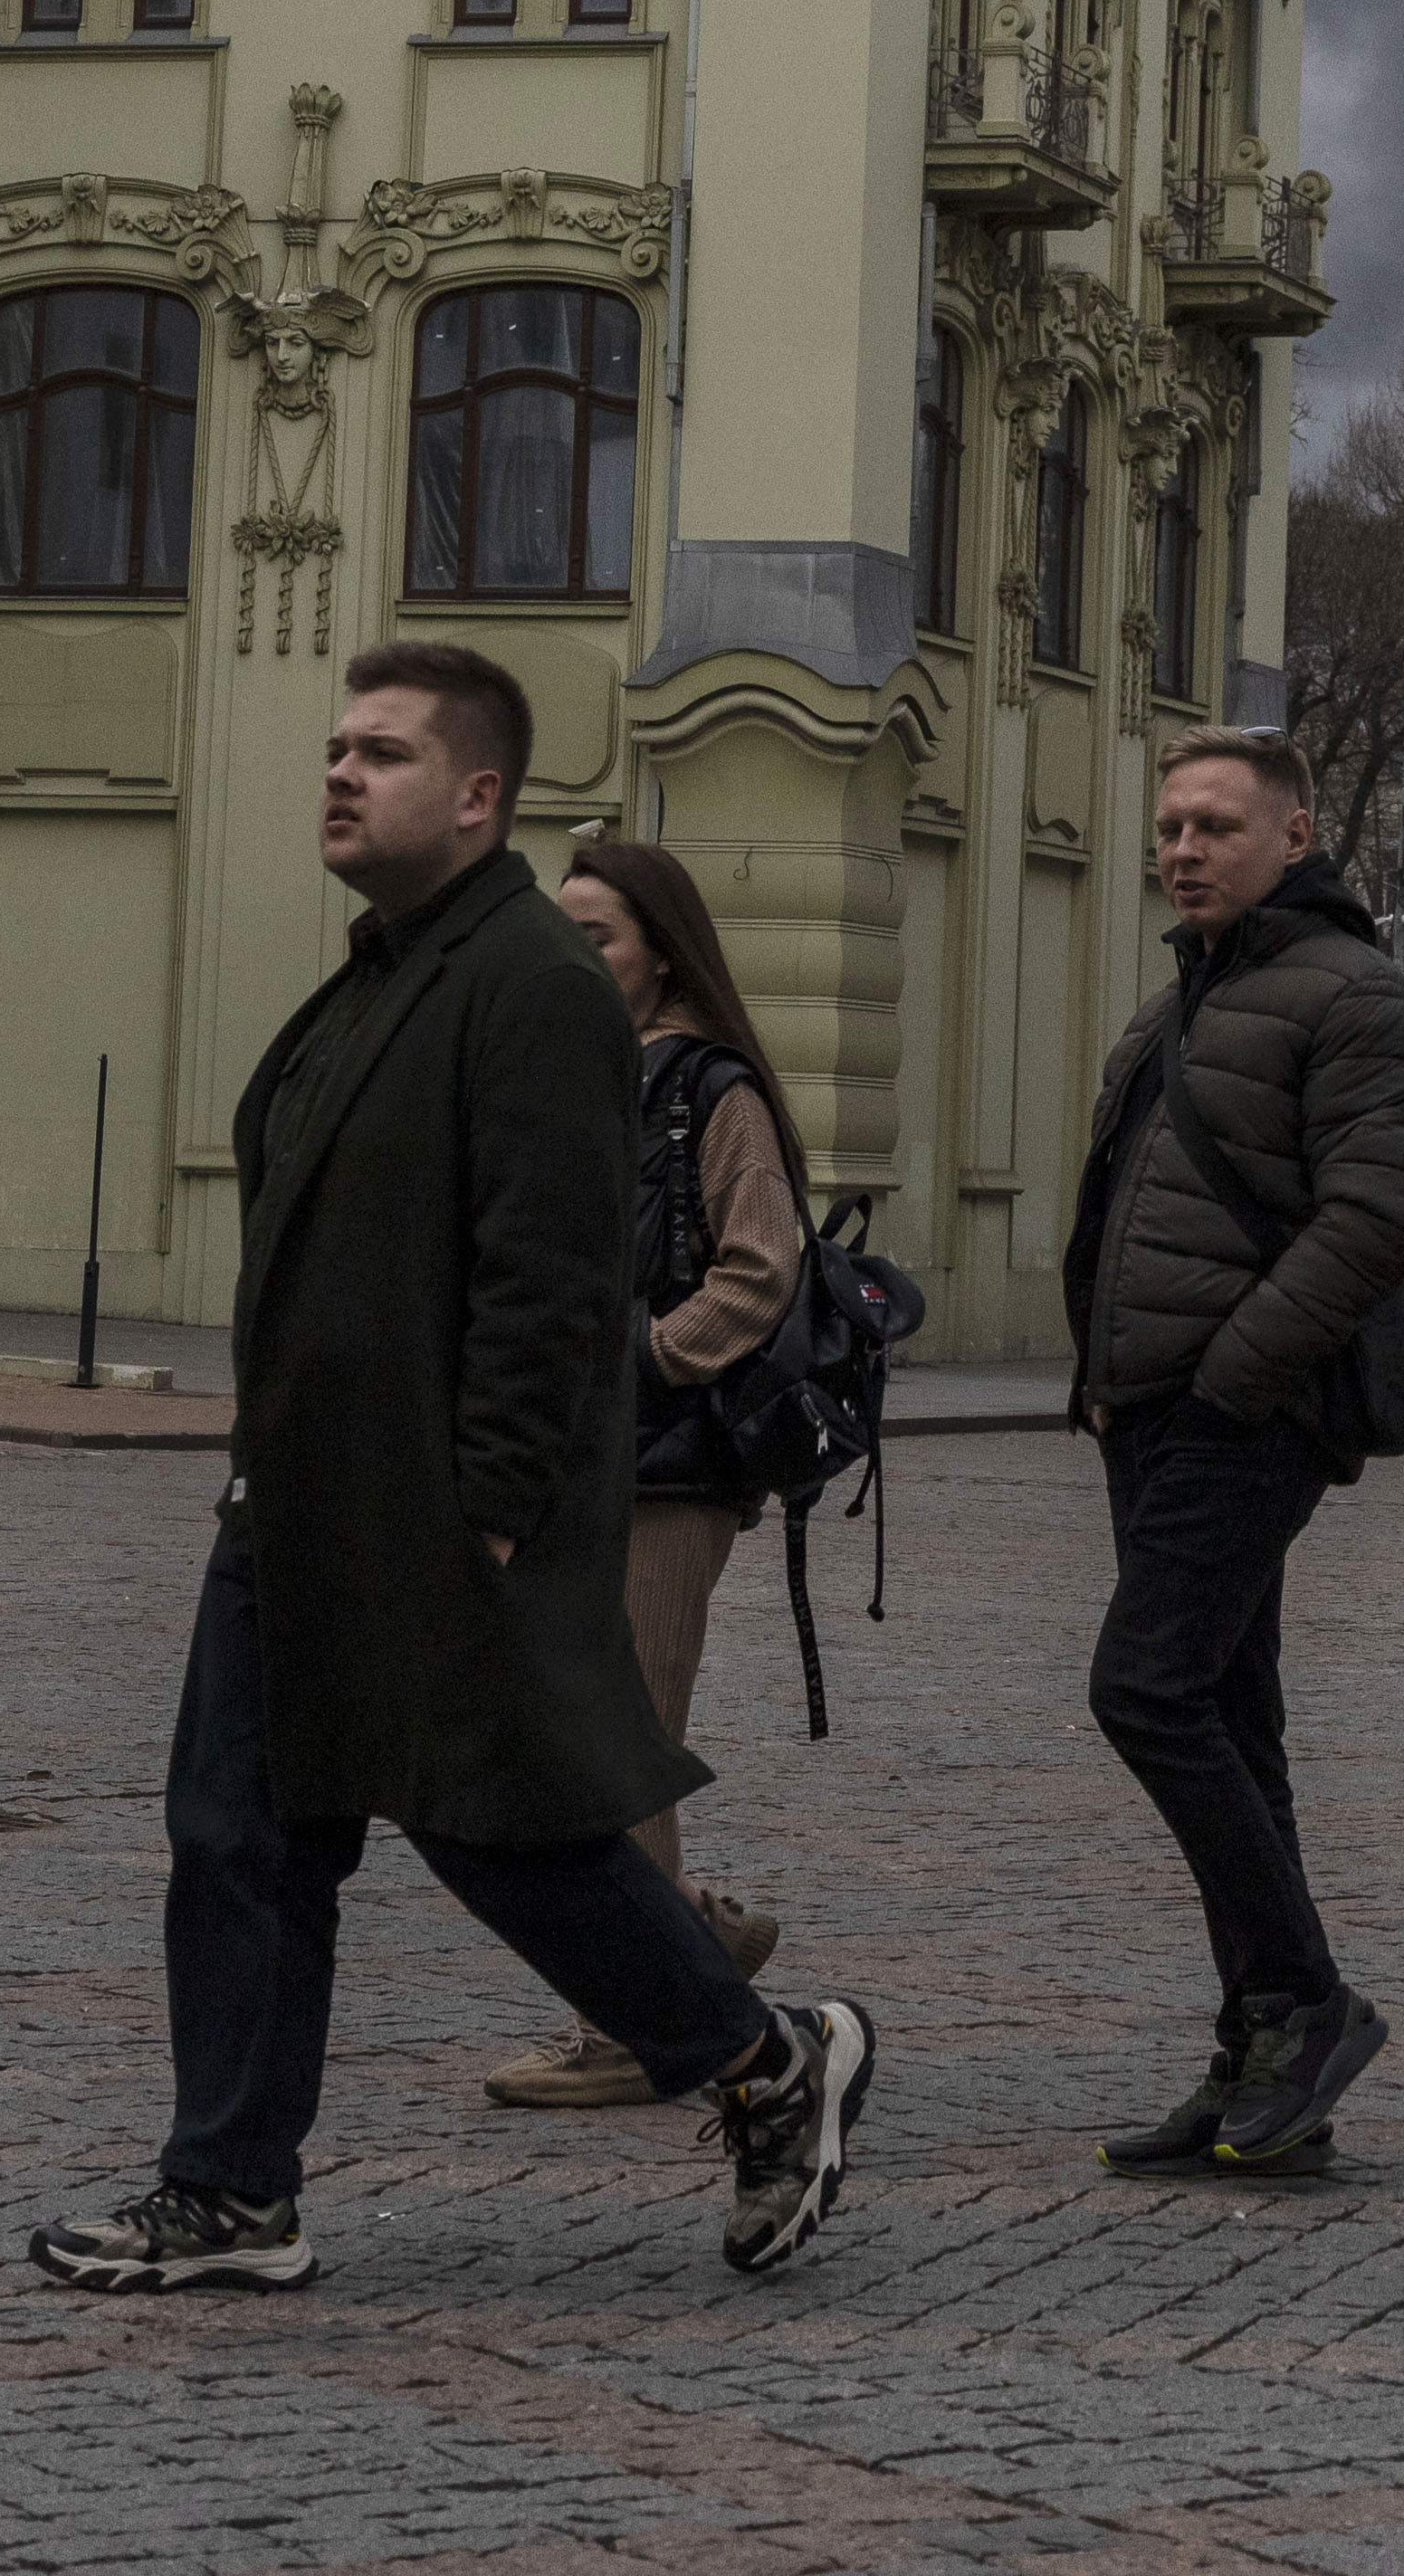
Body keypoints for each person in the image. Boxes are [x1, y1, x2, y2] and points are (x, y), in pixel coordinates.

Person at [26, 644, 875, 2295]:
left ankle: (767, 2064)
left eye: (387, 754)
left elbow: (553, 1278)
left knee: (504, 1835)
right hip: (302, 1495)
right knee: (241, 1832)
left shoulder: (534, 982)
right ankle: (233, 2191)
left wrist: (489, 1502)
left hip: (437, 1507)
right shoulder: (384, 972)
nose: (343, 773)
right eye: (337, 748)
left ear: (479, 797)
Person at [1063, 728, 1404, 2180]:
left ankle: (1307, 2001)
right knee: (1228, 1713)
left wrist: (1232, 1379)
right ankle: (1262, 2058)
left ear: (1294, 837)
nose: (1183, 847)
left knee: (1144, 1687)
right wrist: (1104, 1379)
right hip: (1152, 1410)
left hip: (1247, 1409)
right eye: (1169, 824)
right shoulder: (1187, 999)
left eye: (1216, 825)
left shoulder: (1359, 998)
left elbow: (1376, 1221)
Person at [480, 833, 806, 2107]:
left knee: (620, 1743)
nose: (574, 954)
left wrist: (646, 1366)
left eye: (598, 934)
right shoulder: (588, 1074)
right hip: (576, 1466)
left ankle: (633, 2025)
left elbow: (761, 1268)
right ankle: (694, 1938)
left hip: (669, 1474)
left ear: (662, 953)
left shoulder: (711, 1087)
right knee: (587, 1735)